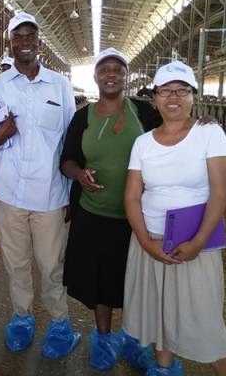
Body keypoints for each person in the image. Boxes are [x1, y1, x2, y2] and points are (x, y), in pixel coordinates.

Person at [123, 61, 226, 376]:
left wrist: (199, 241)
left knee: (205, 318)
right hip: (151, 241)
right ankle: (164, 368)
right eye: (166, 91)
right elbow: (132, 196)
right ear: (155, 97)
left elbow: (220, 192)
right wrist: (146, 242)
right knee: (160, 314)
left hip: (194, 244)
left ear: (192, 96)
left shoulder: (209, 133)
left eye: (182, 90)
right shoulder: (143, 143)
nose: (173, 97)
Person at [0, 12, 80, 358]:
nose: (24, 42)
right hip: (8, 192)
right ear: (10, 42)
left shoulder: (60, 85)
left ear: (39, 42)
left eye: (30, 36)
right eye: (18, 36)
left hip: (50, 193)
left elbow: (70, 139)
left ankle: (59, 322)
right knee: (16, 262)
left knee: (52, 264)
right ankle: (21, 318)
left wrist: (70, 191)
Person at [60, 48, 154, 371]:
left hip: (138, 217)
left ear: (126, 76)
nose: (111, 74)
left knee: (137, 281)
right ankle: (103, 337)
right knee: (102, 281)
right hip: (93, 214)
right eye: (105, 69)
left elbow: (177, 133)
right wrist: (78, 175)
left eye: (118, 69)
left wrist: (202, 123)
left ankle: (134, 338)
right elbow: (68, 159)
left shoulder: (145, 112)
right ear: (96, 77)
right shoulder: (82, 116)